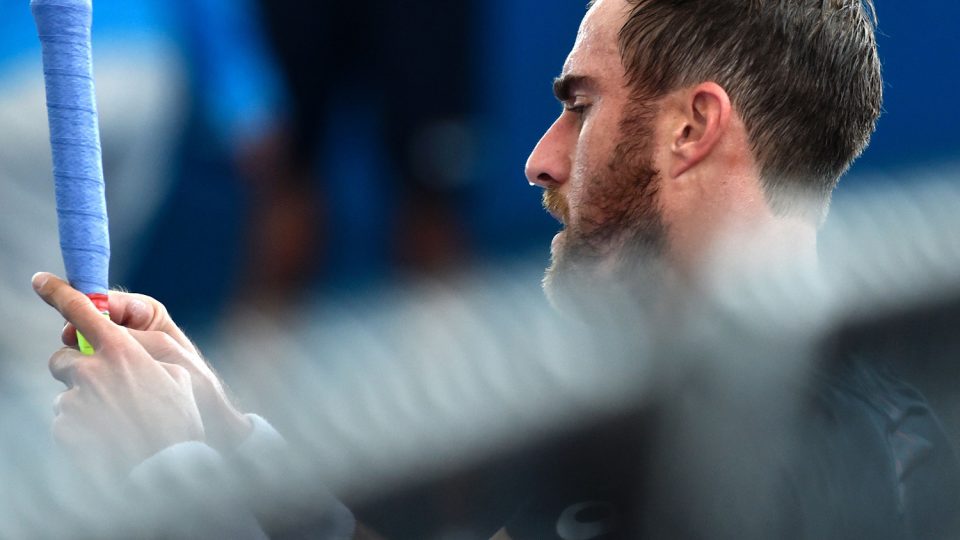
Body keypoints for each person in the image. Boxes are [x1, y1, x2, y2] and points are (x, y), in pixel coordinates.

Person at [31, 0, 960, 538]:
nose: (541, 158)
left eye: (580, 107)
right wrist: (224, 437)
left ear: (691, 130)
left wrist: (171, 473)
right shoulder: (734, 419)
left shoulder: (753, 482)